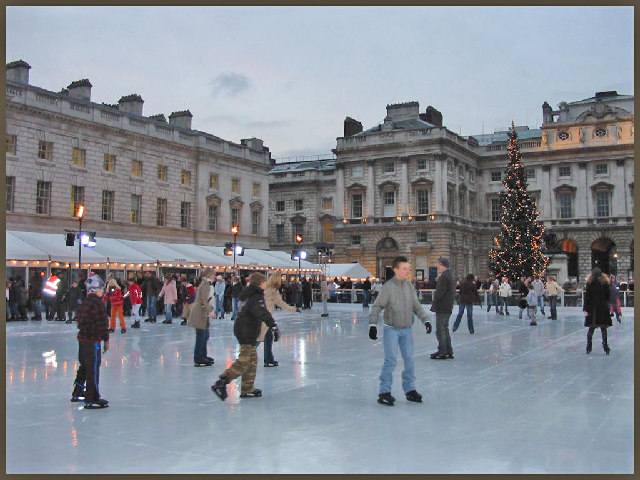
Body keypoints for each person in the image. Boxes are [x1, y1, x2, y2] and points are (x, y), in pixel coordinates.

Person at [368, 256, 432, 406]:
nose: (408, 271)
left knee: (409, 361)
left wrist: (426, 320)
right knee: (390, 360)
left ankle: (410, 390)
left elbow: (416, 306)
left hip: (406, 330)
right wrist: (372, 324)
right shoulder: (388, 287)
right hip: (391, 330)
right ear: (396, 270)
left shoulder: (409, 286)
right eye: (405, 269)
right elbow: (377, 306)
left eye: (408, 269)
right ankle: (384, 391)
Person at [211, 273, 279, 401]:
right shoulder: (256, 295)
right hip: (246, 330)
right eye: (264, 281)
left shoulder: (251, 293)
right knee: (246, 359)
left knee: (252, 360)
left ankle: (247, 388)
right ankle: (222, 381)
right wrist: (273, 325)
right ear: (260, 283)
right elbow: (261, 311)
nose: (266, 284)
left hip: (246, 329)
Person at [71, 273, 110, 409]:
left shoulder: (85, 302)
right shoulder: (97, 304)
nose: (103, 291)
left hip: (83, 339)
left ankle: (77, 391)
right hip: (92, 340)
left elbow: (80, 321)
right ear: (96, 289)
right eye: (101, 288)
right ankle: (91, 398)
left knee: (84, 366)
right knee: (93, 368)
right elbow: (102, 323)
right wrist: (106, 339)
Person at [263, 274, 299, 367]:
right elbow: (282, 304)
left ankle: (268, 359)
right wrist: (294, 309)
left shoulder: (264, 289)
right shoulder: (273, 292)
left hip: (259, 315)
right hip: (266, 318)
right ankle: (246, 357)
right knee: (263, 339)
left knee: (267, 337)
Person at [583, 268, 617, 355]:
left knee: (591, 328)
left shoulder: (589, 283)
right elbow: (608, 295)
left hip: (592, 308)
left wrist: (585, 308)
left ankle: (588, 346)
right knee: (603, 328)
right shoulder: (605, 283)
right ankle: (605, 346)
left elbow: (587, 297)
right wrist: (608, 305)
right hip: (602, 308)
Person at [187, 269, 216, 367]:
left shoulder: (207, 284)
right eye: (214, 274)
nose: (215, 276)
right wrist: (210, 311)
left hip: (202, 312)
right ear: (210, 275)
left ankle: (202, 355)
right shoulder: (206, 285)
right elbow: (204, 300)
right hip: (200, 313)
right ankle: (199, 358)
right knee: (201, 336)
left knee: (205, 335)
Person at [430, 257, 455, 360]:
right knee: (445, 329)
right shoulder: (450, 275)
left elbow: (440, 292)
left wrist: (435, 300)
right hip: (448, 305)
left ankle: (442, 351)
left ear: (442, 265)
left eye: (439, 265)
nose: (438, 267)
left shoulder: (444, 276)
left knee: (440, 330)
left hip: (442, 306)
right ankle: (448, 350)